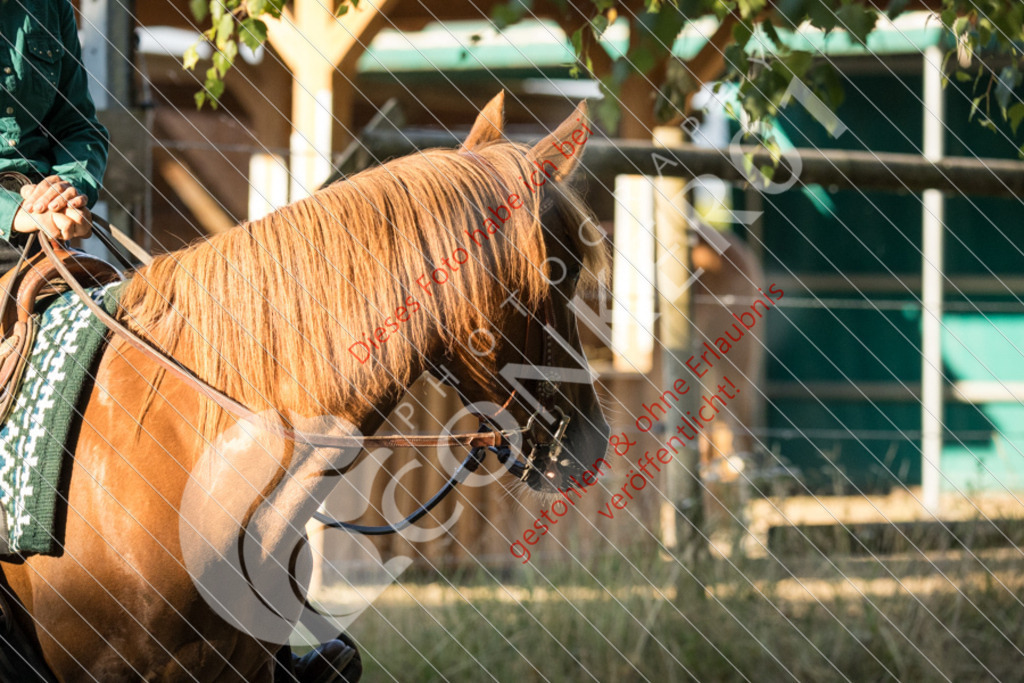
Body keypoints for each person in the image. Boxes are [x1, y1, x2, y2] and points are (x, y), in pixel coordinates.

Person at [0, 0, 106, 267]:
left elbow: (78, 127)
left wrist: (67, 188)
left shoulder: (53, 6)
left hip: (43, 222)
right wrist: (12, 212)